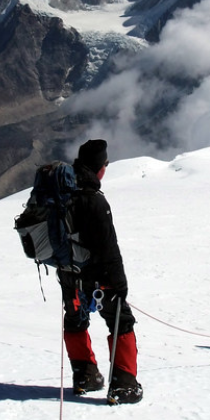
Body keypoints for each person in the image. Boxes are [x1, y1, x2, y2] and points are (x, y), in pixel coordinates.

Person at [59, 139, 143, 405]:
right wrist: (119, 286)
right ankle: (124, 385)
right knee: (121, 321)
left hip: (69, 274)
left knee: (75, 318)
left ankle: (85, 375)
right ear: (100, 168)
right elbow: (108, 249)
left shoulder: (64, 194)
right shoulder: (94, 201)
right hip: (98, 278)